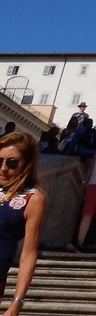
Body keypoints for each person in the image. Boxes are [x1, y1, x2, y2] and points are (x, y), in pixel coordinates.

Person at [0, 132, 46, 315]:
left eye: (12, 163)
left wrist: (17, 302)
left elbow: (28, 253)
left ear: (26, 165)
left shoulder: (33, 198)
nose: (3, 168)